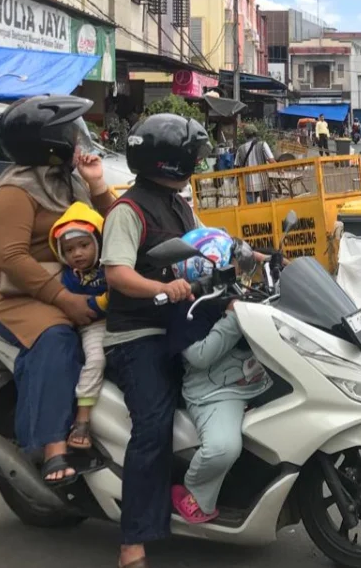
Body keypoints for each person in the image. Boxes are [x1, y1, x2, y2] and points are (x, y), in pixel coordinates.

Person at [0, 96, 113, 485]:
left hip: (78, 280)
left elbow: (114, 224)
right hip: (17, 292)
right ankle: (52, 449)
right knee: (56, 337)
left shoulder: (70, 182)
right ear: (48, 141)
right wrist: (64, 300)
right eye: (70, 132)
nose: (78, 138)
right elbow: (11, 256)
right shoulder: (15, 191)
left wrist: (98, 185)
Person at [101, 112, 209, 568]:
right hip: (137, 335)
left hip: (180, 324)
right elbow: (118, 275)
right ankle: (133, 541)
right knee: (155, 424)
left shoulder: (180, 203)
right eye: (191, 157)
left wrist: (252, 255)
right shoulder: (128, 211)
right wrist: (163, 289)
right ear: (170, 161)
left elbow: (207, 244)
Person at [167, 229, 270, 524]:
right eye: (233, 263)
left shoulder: (230, 291)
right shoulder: (187, 310)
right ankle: (194, 494)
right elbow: (200, 357)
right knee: (223, 448)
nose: (240, 268)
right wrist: (235, 319)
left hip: (253, 378)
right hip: (215, 390)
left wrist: (275, 264)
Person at [48, 201, 110, 450]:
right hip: (94, 325)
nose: (77, 254)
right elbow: (82, 307)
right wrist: (104, 301)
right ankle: (82, 419)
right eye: (70, 249)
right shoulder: (70, 278)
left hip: (123, 321)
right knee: (96, 360)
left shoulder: (111, 265)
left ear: (98, 242)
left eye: (84, 245)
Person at [234, 124, 273, 204]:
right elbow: (271, 160)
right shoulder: (262, 144)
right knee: (267, 207)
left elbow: (236, 167)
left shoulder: (240, 149)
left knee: (250, 210)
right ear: (255, 133)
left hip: (248, 185)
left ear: (245, 135)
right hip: (263, 183)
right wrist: (281, 169)